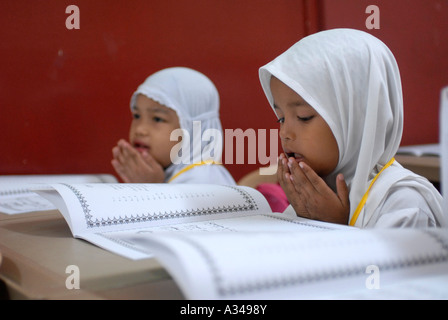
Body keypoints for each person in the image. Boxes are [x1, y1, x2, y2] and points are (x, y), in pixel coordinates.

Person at [258, 28, 446, 228]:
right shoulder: (310, 195)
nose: (285, 134)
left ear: (358, 117)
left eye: (304, 117)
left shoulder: (406, 207)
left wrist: (332, 225)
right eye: (281, 119)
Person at [112, 67, 236, 185]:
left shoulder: (204, 183)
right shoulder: (170, 174)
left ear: (193, 130)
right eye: (137, 116)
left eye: (157, 119)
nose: (140, 130)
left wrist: (151, 189)